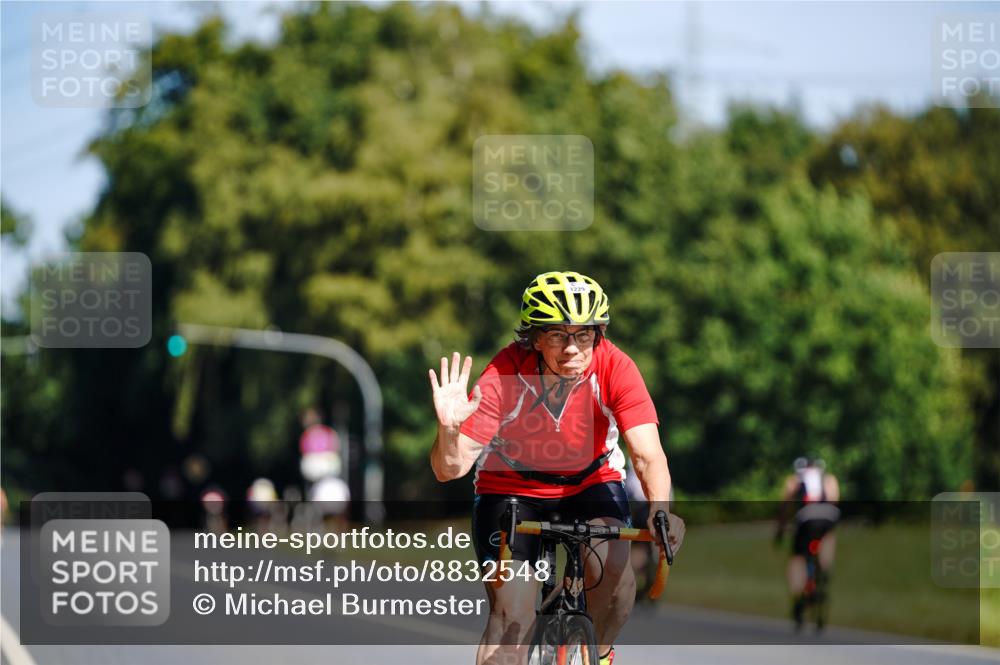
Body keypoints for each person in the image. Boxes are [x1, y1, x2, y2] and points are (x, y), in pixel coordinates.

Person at [429, 271, 685, 665]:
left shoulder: (615, 366)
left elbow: (648, 455)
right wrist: (448, 430)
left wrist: (660, 510)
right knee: (510, 622)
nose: (572, 349)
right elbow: (451, 467)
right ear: (533, 337)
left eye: (584, 335)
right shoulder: (504, 373)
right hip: (511, 488)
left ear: (598, 334)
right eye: (557, 335)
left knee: (616, 573)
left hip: (590, 482)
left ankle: (594, 655)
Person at [775, 455, 841, 630]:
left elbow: (785, 505)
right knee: (827, 539)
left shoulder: (794, 480)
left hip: (806, 519)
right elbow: (834, 500)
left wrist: (780, 530)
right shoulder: (828, 479)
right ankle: (824, 571)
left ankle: (798, 598)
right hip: (828, 517)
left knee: (797, 558)